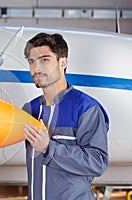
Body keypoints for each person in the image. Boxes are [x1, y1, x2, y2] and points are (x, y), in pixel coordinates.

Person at [22, 32, 109, 199]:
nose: (36, 68)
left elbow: (97, 163)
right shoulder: (30, 109)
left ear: (63, 62)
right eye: (32, 62)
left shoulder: (86, 108)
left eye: (45, 60)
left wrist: (49, 148)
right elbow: (1, 130)